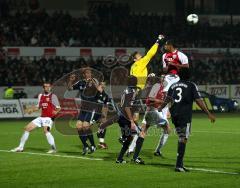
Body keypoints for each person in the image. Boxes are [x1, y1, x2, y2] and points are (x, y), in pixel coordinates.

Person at [161, 67, 215, 172]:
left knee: (181, 137)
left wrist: (161, 108)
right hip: (184, 115)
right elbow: (199, 101)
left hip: (175, 115)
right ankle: (178, 165)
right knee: (183, 138)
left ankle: (180, 164)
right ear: (189, 75)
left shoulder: (173, 85)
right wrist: (208, 113)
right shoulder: (191, 85)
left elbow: (167, 99)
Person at [130, 75, 171, 164]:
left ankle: (135, 156)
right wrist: (161, 102)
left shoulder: (164, 89)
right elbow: (150, 99)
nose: (164, 79)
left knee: (143, 132)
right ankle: (133, 151)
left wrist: (167, 109)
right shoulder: (157, 86)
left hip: (154, 111)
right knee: (167, 129)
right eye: (162, 78)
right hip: (153, 111)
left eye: (165, 78)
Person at [11, 82, 61, 153]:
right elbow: (38, 106)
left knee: (46, 131)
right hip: (41, 117)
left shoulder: (53, 96)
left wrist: (56, 112)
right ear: (43, 88)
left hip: (49, 118)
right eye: (45, 87)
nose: (47, 88)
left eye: (48, 86)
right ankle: (20, 147)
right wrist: (31, 110)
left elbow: (59, 108)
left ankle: (53, 148)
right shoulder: (40, 95)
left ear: (50, 87)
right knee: (27, 128)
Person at [68, 68, 104, 155]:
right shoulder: (80, 82)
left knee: (85, 126)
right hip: (83, 108)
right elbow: (69, 88)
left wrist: (96, 85)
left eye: (90, 73)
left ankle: (93, 145)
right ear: (83, 74)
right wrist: (70, 81)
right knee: (78, 127)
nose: (89, 74)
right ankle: (85, 146)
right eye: (87, 73)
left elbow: (100, 90)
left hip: (92, 107)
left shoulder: (94, 81)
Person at [116, 76, 140, 163]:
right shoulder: (131, 91)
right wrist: (132, 121)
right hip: (125, 118)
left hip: (121, 117)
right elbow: (127, 107)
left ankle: (119, 158)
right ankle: (135, 157)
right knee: (137, 134)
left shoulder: (125, 90)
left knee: (130, 137)